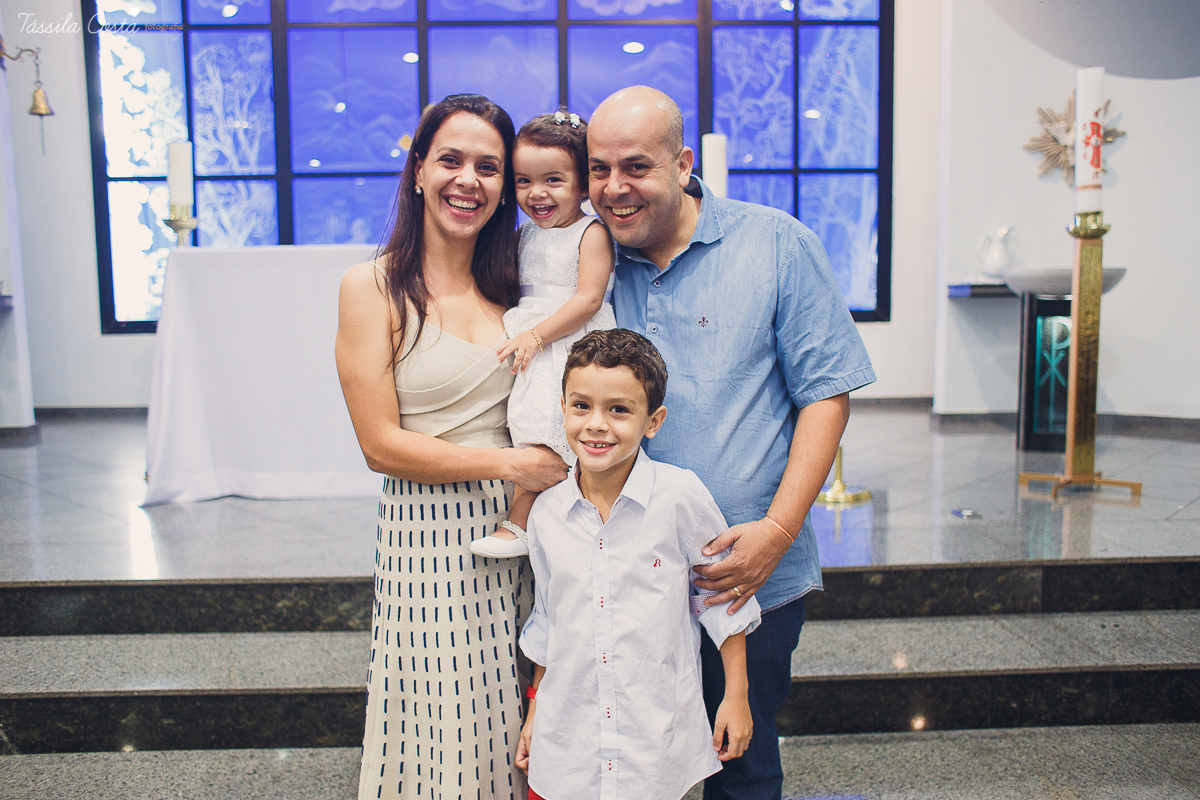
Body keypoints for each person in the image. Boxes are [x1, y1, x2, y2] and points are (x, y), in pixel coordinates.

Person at [587, 86, 876, 800]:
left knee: (740, 764)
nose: (613, 189)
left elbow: (826, 394)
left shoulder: (775, 243)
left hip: (742, 572)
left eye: (636, 167)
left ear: (683, 163)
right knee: (617, 761)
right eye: (597, 169)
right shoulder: (589, 262)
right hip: (620, 576)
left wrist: (778, 531)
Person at [335, 93, 569, 800]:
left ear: (506, 189)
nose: (469, 179)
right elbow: (379, 445)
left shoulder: (519, 290)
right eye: (452, 160)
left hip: (528, 533)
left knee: (521, 728)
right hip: (428, 543)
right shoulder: (372, 287)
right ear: (416, 171)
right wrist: (510, 464)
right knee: (445, 730)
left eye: (490, 167)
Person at [514, 329, 762, 800]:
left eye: (619, 410)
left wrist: (736, 696)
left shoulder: (679, 496)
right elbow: (549, 621)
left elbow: (720, 598)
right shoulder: (546, 514)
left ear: (653, 421)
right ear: (562, 408)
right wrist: (536, 711)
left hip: (656, 748)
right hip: (569, 749)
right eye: (581, 405)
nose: (596, 424)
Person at [470, 110, 617, 560]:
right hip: (531, 343)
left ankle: (526, 522)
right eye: (523, 181)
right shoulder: (524, 235)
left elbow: (588, 299)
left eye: (553, 179)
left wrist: (537, 335)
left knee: (557, 430)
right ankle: (539, 522)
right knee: (528, 427)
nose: (537, 193)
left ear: (582, 183)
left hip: (570, 344)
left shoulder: (590, 232)